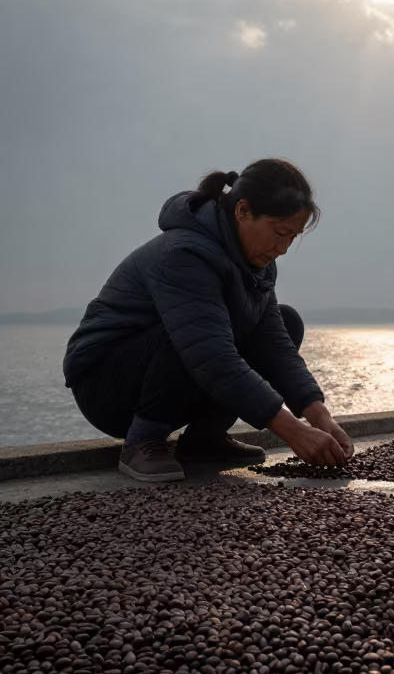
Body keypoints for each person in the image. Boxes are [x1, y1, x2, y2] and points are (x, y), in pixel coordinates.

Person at [63, 159, 353, 483]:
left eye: (292, 237)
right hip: (106, 384)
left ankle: (204, 439)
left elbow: (275, 345)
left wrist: (320, 417)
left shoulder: (257, 264)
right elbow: (210, 355)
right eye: (279, 232)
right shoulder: (184, 253)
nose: (283, 248)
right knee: (196, 334)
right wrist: (293, 432)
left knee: (285, 322)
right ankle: (142, 441)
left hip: (174, 363)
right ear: (243, 211)